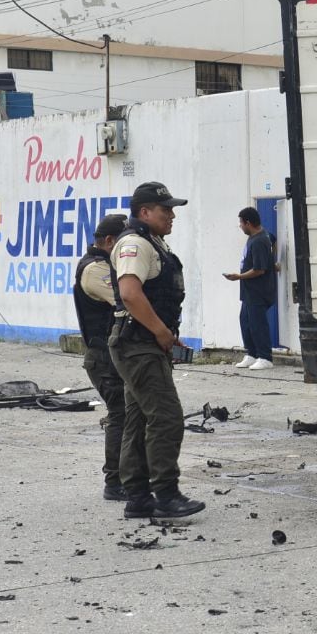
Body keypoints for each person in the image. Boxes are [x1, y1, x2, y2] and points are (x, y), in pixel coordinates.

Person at [108, 181, 205, 522]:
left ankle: (137, 497)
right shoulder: (135, 243)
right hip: (139, 345)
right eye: (166, 210)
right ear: (144, 212)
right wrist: (161, 331)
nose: (172, 216)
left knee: (139, 419)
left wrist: (165, 333)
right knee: (166, 416)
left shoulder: (153, 243)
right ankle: (165, 494)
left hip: (143, 342)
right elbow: (131, 294)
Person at [73, 213, 129, 501]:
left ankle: (129, 477)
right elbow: (126, 300)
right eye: (123, 242)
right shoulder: (95, 269)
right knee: (120, 414)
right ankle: (115, 481)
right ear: (109, 241)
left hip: (110, 354)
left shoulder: (105, 264)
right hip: (103, 357)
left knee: (130, 414)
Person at [223, 206, 277, 370]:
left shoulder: (260, 240)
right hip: (248, 292)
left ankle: (265, 357)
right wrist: (272, 261)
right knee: (245, 322)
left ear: (248, 223)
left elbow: (259, 270)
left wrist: (238, 277)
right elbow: (274, 240)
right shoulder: (259, 236)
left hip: (258, 291)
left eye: (241, 222)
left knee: (258, 324)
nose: (240, 226)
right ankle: (252, 354)